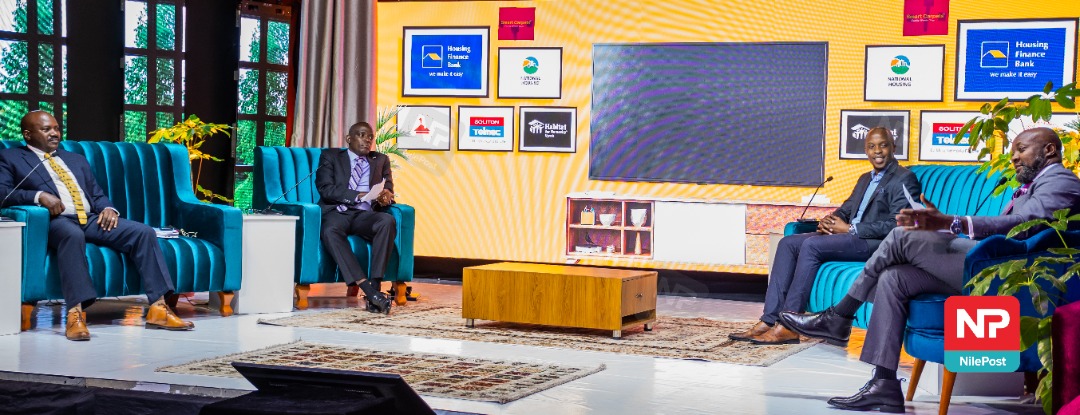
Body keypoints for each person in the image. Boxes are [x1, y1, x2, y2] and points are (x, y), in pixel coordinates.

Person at [779, 127, 1080, 413]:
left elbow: (1024, 226)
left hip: (1009, 278)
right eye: (1013, 150)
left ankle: (839, 316)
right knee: (894, 278)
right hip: (989, 265)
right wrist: (946, 228)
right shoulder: (1036, 185)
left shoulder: (1062, 181)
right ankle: (883, 383)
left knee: (901, 235)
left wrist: (952, 223)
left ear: (1049, 150)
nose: (1013, 157)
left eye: (1021, 149)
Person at [0, 111, 194, 341]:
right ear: (28, 134)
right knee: (72, 235)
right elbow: (3, 193)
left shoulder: (75, 159)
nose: (54, 133)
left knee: (142, 232)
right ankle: (75, 315)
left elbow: (96, 194)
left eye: (56, 128)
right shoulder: (11, 157)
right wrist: (38, 196)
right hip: (55, 221)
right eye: (46, 129)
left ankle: (158, 309)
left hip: (90, 218)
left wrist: (108, 208)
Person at [730, 127, 920, 345]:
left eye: (883, 145)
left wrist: (850, 229)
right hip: (850, 237)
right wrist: (828, 221)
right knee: (788, 243)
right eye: (871, 146)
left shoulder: (904, 178)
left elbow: (898, 223)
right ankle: (769, 319)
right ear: (866, 151)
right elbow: (846, 209)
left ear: (893, 147)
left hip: (873, 243)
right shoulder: (864, 179)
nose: (877, 151)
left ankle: (789, 326)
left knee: (811, 245)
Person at [315, 121, 396, 314]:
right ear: (349, 139)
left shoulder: (381, 160)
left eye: (370, 137)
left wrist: (386, 196)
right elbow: (325, 189)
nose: (367, 140)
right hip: (337, 211)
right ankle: (369, 292)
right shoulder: (331, 156)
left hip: (364, 215)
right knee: (329, 230)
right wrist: (357, 195)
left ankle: (375, 286)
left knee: (387, 221)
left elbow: (389, 187)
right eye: (361, 135)